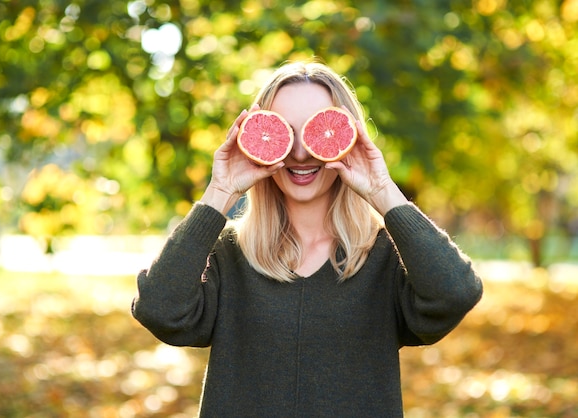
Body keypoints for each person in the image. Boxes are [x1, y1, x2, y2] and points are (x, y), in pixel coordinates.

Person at [131, 61, 483, 417]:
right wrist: (219, 192)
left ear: (349, 137)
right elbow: (159, 309)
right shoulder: (227, 255)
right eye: (284, 131)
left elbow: (455, 293)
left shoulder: (387, 258)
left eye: (317, 130)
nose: (300, 153)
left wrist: (382, 190)